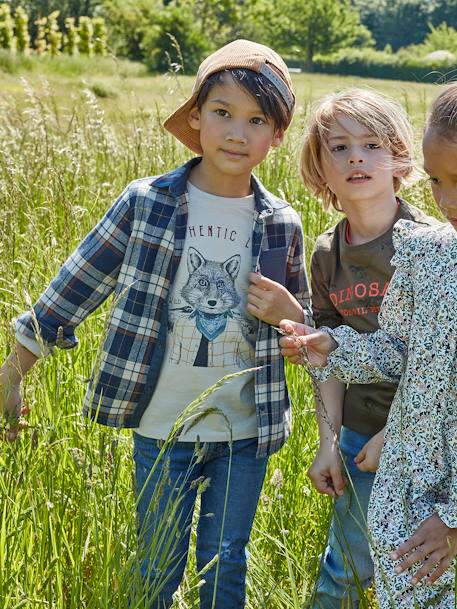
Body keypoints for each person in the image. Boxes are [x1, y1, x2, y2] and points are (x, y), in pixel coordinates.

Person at [0, 40, 311, 608]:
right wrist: (12, 373)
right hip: (161, 431)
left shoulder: (280, 223)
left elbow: (307, 330)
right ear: (196, 117)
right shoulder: (147, 202)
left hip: (244, 434)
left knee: (226, 565)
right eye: (222, 113)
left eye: (256, 120)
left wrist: (294, 315)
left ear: (276, 136)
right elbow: (71, 291)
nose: (237, 134)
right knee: (157, 564)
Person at [279, 83, 457, 609]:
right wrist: (329, 347)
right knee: (400, 587)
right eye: (439, 181)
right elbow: (398, 349)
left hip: (445, 490)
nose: (445, 201)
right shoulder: (429, 255)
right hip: (408, 473)